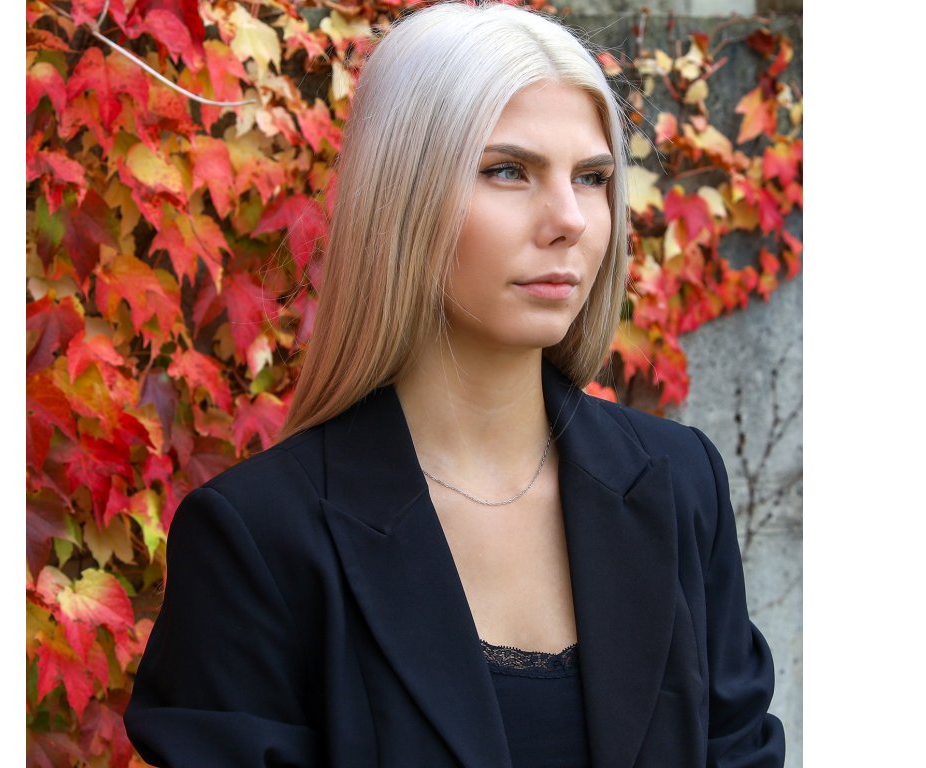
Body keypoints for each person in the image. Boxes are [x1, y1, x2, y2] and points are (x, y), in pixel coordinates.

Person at [124, 3, 786, 766]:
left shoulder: (680, 484)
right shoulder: (259, 540)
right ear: (403, 197)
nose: (570, 219)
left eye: (593, 178)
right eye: (508, 171)